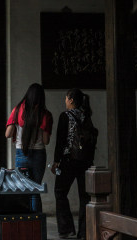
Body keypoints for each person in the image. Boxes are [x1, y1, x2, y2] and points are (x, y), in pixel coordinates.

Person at [52, 88, 97, 239]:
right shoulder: (86, 115)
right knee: (85, 197)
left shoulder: (65, 116)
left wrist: (56, 161)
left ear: (71, 100)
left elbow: (60, 141)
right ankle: (84, 232)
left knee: (60, 192)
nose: (65, 101)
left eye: (66, 98)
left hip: (68, 160)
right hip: (85, 162)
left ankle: (66, 229)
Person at [6, 83, 53, 212]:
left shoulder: (17, 110)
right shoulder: (46, 115)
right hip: (39, 155)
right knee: (34, 190)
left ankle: (24, 224)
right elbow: (46, 141)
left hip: (21, 154)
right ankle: (36, 224)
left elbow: (7, 134)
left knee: (22, 190)